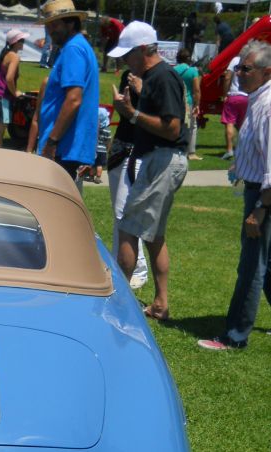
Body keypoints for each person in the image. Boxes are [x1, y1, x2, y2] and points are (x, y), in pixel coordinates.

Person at [111, 21, 188, 321]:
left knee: (128, 228)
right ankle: (160, 303)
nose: (124, 60)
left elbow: (172, 128)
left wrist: (132, 113)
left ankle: (118, 301)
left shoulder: (163, 76)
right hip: (159, 159)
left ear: (144, 49)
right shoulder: (154, 77)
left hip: (162, 160)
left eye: (127, 54)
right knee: (153, 236)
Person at [198, 41, 271, 351]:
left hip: (263, 196)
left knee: (252, 267)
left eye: (246, 68)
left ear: (267, 72)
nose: (238, 73)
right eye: (238, 67)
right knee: (267, 263)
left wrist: (261, 208)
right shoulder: (257, 99)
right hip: (257, 191)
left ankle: (235, 336)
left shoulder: (268, 105)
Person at [37, 0, 99, 181]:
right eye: (48, 25)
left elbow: (73, 99)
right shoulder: (79, 46)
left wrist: (52, 141)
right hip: (67, 146)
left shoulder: (73, 49)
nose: (51, 30)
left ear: (71, 23)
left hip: (63, 147)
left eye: (55, 25)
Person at [107, 69, 149, 289]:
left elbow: (156, 116)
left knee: (125, 213)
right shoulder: (129, 74)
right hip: (120, 149)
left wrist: (143, 92)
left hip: (136, 152)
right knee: (119, 213)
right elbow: (126, 115)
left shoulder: (156, 77)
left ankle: (138, 268)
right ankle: (119, 265)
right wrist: (121, 107)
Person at [0, 29, 27, 149]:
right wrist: (14, 92)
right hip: (2, 99)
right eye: (22, 40)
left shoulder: (4, 54)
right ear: (16, 42)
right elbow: (9, 78)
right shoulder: (14, 57)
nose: (23, 43)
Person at [174, 48, 202, 161]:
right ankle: (191, 152)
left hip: (176, 101)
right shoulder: (193, 71)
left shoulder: (173, 70)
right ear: (188, 59)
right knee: (191, 126)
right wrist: (197, 104)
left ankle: (177, 148)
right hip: (188, 102)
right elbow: (196, 90)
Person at [220, 55, 248, 160]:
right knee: (243, 125)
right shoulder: (252, 61)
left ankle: (229, 150)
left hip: (234, 95)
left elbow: (227, 77)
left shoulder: (235, 60)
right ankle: (244, 149)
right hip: (247, 97)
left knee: (229, 123)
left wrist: (224, 94)